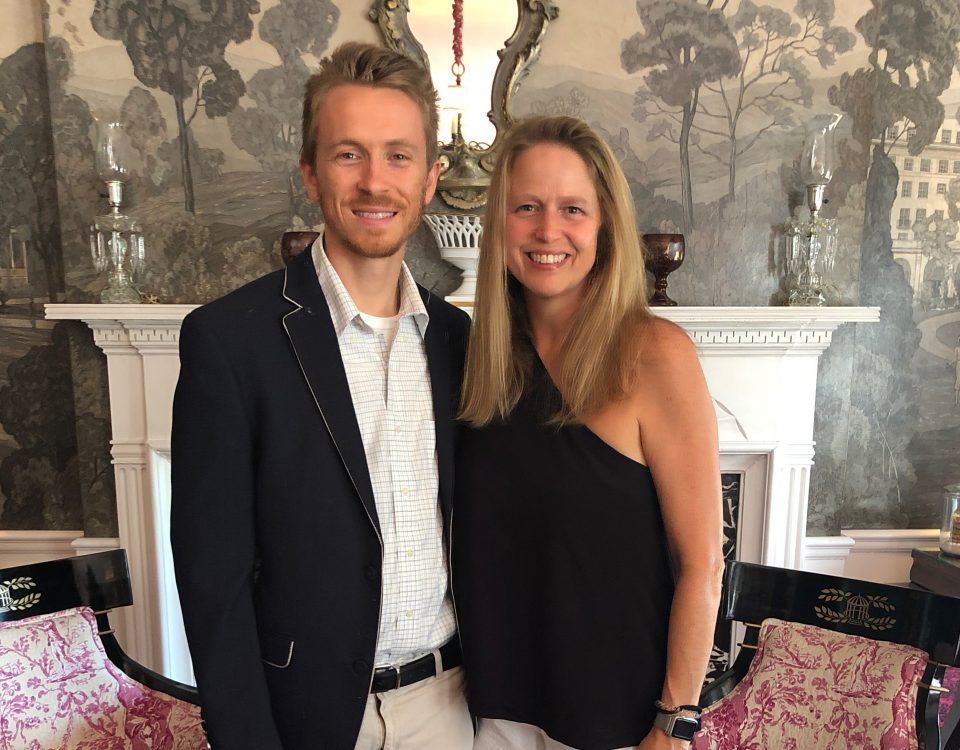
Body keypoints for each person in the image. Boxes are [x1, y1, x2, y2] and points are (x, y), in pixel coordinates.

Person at [170, 42, 473, 750]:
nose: (375, 181)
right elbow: (211, 581)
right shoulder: (228, 342)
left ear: (429, 179)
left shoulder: (460, 340)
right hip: (310, 720)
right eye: (348, 154)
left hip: (453, 708)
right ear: (310, 172)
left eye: (398, 156)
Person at [453, 116, 724, 750]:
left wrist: (673, 722)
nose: (548, 230)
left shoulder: (655, 355)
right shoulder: (477, 362)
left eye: (572, 208)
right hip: (496, 718)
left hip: (623, 724)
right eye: (527, 207)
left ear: (604, 225)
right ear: (500, 225)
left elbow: (703, 565)